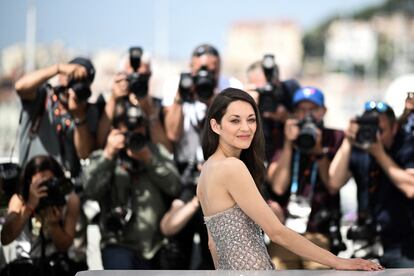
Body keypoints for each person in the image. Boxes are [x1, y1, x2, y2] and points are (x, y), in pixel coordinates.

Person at [196, 87, 383, 271]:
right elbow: (277, 232)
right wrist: (340, 262)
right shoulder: (232, 167)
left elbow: (213, 244)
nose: (246, 128)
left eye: (251, 120)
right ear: (215, 126)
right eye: (235, 121)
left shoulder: (207, 170)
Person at [82, 98, 181, 269]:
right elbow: (90, 191)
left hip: (154, 247)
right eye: (128, 127)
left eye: (139, 126)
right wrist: (108, 155)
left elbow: (175, 187)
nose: (135, 132)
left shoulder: (156, 151)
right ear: (116, 129)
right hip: (118, 243)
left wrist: (149, 160)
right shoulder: (105, 155)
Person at [266, 86, 346, 269]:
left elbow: (333, 185)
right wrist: (288, 143)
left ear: (323, 111)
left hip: (319, 232)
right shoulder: (284, 135)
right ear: (294, 113)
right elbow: (278, 186)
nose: (307, 115)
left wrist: (319, 151)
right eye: (302, 110)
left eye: (313, 110)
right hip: (285, 233)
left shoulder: (335, 137)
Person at [329, 101, 414, 268]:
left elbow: (411, 188)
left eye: (380, 130)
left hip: (403, 246)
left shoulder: (407, 144)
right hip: (367, 243)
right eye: (369, 129)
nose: (374, 136)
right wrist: (348, 141)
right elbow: (334, 183)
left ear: (394, 128)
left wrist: (379, 154)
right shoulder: (360, 146)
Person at [0, 155, 81, 275]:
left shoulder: (70, 200)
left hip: (57, 266)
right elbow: (5, 238)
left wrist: (53, 225)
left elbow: (64, 245)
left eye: (49, 182)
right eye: (40, 184)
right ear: (29, 183)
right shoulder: (20, 199)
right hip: (26, 266)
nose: (45, 188)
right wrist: (29, 207)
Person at [97, 47, 171, 152]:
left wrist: (149, 110)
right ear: (120, 76)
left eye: (143, 77)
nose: (137, 82)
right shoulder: (107, 101)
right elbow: (98, 145)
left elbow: (166, 150)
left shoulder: (157, 105)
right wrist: (113, 100)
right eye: (131, 77)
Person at [245, 56, 300, 162]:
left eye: (271, 89)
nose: (267, 96)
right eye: (262, 91)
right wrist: (244, 105)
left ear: (279, 81)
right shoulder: (246, 102)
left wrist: (288, 117)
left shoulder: (289, 91)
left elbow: (309, 118)